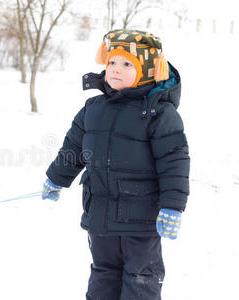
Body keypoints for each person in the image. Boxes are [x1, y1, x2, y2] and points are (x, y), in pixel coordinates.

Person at [41, 29, 190, 300]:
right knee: (103, 273)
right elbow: (72, 149)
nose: (115, 70)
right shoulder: (93, 107)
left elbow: (175, 163)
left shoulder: (160, 113)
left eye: (126, 64)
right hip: (100, 213)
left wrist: (172, 207)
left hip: (140, 218)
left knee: (141, 277)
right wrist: (56, 179)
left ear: (147, 71)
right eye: (111, 62)